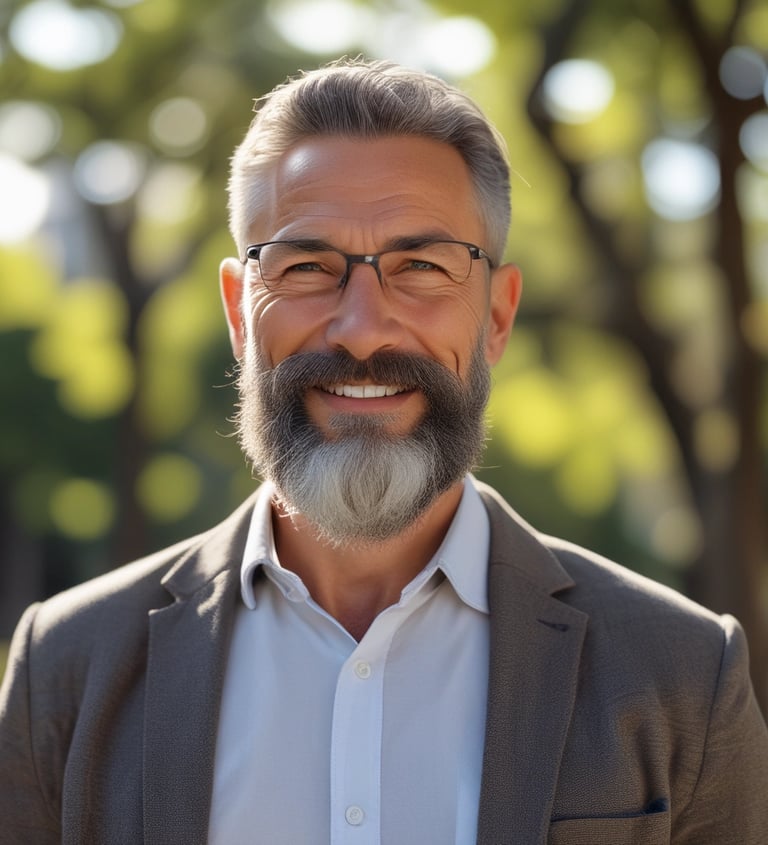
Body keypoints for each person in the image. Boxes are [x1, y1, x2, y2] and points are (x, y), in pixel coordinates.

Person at [1, 57, 766, 845]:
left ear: (496, 316)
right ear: (238, 311)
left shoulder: (682, 675)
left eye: (422, 267)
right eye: (305, 267)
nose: (362, 328)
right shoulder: (64, 671)